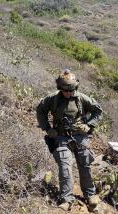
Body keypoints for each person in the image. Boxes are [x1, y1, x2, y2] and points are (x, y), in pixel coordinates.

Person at [36, 69, 103, 211]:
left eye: (71, 90)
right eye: (65, 90)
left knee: (85, 165)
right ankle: (67, 199)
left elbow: (98, 111)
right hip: (60, 137)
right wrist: (48, 128)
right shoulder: (52, 99)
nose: (68, 93)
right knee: (65, 166)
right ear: (60, 88)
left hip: (79, 137)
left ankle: (90, 195)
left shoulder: (82, 98)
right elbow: (40, 110)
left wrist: (88, 125)